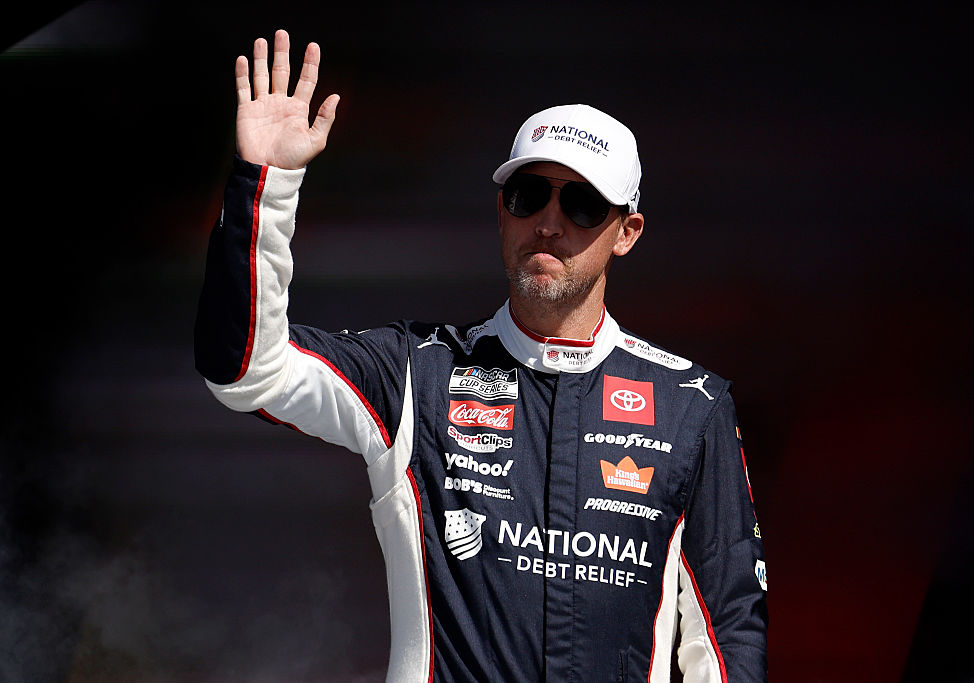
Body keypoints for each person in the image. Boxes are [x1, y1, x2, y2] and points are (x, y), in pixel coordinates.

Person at [194, 29, 768, 682]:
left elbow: (727, 637)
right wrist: (267, 184)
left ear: (627, 232)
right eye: (530, 195)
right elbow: (246, 368)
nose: (548, 221)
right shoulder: (417, 372)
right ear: (502, 211)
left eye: (582, 204)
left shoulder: (692, 407)